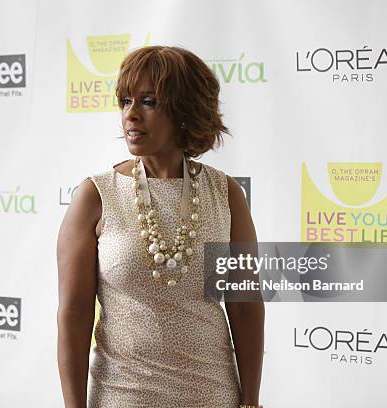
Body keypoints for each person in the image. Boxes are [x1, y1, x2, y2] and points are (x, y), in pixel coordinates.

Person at [57, 45, 264, 408]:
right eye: (125, 102)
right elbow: (74, 315)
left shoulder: (225, 194)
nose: (131, 115)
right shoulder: (96, 195)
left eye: (149, 102)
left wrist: (250, 401)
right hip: (121, 397)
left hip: (213, 396)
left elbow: (245, 305)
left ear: (185, 110)